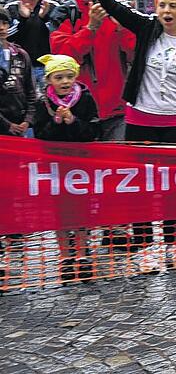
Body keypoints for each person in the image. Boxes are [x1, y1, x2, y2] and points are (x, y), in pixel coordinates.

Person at [86, 0, 176, 272]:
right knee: (141, 186)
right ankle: (143, 249)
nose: (166, 11)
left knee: (173, 189)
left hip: (175, 124)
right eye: (161, 5)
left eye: (173, 6)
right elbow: (110, 4)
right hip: (140, 121)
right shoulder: (145, 27)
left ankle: (171, 245)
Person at [50, 0, 136, 142]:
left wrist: (123, 29)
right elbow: (62, 60)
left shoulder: (119, 9)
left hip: (116, 108)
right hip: (79, 110)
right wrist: (90, 29)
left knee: (116, 165)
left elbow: (135, 54)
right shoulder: (66, 12)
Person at [32, 55, 99, 282]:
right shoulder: (44, 104)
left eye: (69, 77)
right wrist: (56, 123)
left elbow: (93, 131)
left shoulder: (86, 99)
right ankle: (65, 255)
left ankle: (81, 253)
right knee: (59, 211)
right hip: (55, 165)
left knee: (80, 209)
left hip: (80, 164)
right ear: (49, 79)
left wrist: (73, 122)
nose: (65, 81)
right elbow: (40, 134)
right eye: (59, 77)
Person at [4, 0, 59, 93]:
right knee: (23, 102)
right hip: (20, 66)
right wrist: (22, 20)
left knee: (49, 104)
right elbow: (5, 36)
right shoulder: (11, 8)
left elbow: (58, 34)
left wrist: (45, 19)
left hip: (49, 66)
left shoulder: (53, 6)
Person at [0, 7, 36, 138]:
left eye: (4, 23)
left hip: (20, 126)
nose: (1, 28)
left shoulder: (21, 54)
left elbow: (31, 92)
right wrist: (7, 125)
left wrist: (28, 120)